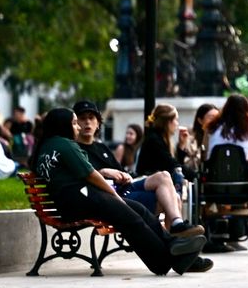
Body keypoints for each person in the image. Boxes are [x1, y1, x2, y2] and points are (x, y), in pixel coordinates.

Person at [31, 108, 211, 275]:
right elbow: (91, 175)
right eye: (74, 123)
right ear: (62, 125)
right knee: (131, 219)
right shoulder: (64, 144)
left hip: (74, 201)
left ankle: (173, 246)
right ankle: (164, 261)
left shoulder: (47, 146)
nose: (77, 127)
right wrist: (114, 195)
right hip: (80, 198)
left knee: (139, 209)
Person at [72, 100, 190, 232]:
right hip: (112, 198)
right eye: (82, 118)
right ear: (75, 124)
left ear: (98, 123)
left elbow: (122, 172)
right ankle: (173, 242)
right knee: (172, 199)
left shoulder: (101, 147)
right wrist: (103, 172)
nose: (87, 122)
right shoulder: (73, 149)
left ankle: (176, 225)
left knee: (164, 176)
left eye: (91, 118)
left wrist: (125, 175)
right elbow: (81, 178)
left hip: (125, 188)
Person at [135, 103, 192, 196]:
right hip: (147, 188)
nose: (177, 124)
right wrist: (196, 176)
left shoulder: (159, 138)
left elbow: (174, 165)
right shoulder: (154, 140)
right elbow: (172, 165)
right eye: (176, 120)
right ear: (168, 122)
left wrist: (181, 146)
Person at [206, 93, 248, 162]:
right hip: (239, 171)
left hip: (215, 171)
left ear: (225, 108)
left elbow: (205, 154)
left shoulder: (212, 129)